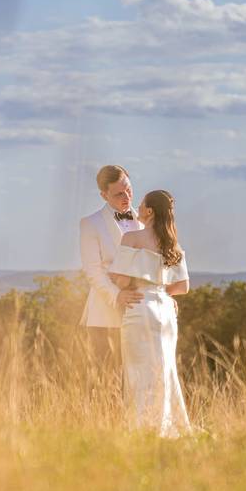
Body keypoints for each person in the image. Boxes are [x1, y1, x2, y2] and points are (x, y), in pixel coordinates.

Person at [107, 189, 190, 437]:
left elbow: (122, 280)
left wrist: (123, 280)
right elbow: (182, 287)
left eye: (141, 205)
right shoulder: (172, 243)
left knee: (138, 371)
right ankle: (168, 428)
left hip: (140, 306)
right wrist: (162, 292)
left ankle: (142, 429)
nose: (138, 208)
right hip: (165, 309)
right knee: (165, 370)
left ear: (150, 211)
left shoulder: (131, 238)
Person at [79, 165, 145, 368]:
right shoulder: (90, 223)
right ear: (104, 195)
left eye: (129, 189)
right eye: (118, 194)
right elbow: (93, 271)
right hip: (104, 315)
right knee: (106, 382)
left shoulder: (145, 222)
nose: (127, 197)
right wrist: (117, 295)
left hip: (140, 313)